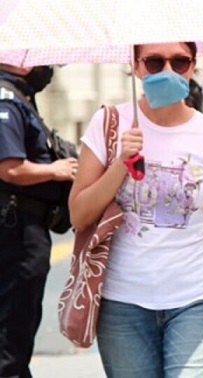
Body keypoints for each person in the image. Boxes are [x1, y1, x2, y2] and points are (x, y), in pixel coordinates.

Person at [68, 42, 203, 376]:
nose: (167, 71)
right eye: (154, 61)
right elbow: (78, 215)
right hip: (123, 304)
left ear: (193, 66)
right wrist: (120, 163)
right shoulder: (108, 124)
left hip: (197, 299)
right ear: (135, 65)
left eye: (179, 61)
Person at [0, 64, 76, 377]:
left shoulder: (21, 96)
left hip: (25, 224)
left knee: (19, 324)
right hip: (16, 228)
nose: (47, 66)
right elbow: (9, 168)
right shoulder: (6, 100)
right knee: (12, 329)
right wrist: (56, 171)